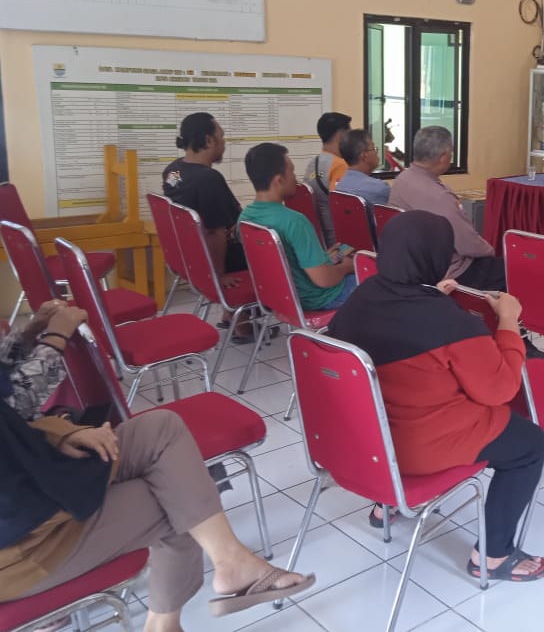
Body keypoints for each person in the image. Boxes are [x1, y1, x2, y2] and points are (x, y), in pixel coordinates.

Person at [0, 308, 314, 628]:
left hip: (30, 474)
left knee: (162, 430)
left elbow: (9, 409)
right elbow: (18, 404)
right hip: (22, 545)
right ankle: (167, 622)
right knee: (179, 496)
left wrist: (58, 432)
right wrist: (55, 336)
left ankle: (230, 562)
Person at [328, 211, 544, 582]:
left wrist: (430, 296)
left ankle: (387, 502)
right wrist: (509, 320)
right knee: (528, 444)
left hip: (368, 443)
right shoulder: (449, 323)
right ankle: (494, 555)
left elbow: (400, 323)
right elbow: (501, 388)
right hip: (420, 448)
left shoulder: (362, 297)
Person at [389, 127, 544, 359]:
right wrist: (489, 250)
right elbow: (467, 245)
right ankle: (515, 338)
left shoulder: (403, 179)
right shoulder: (438, 196)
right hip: (448, 271)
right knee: (512, 270)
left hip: (414, 264)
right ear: (444, 156)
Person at [162, 113, 251, 342]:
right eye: (221, 137)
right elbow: (214, 232)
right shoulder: (209, 179)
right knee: (276, 246)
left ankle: (230, 315)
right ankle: (242, 323)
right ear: (209, 140)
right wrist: (218, 275)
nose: (224, 142)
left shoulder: (173, 171)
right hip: (221, 255)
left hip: (189, 256)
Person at [239, 142, 357, 311]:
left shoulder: (245, 218)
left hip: (282, 298)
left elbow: (286, 264)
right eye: (292, 172)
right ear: (279, 180)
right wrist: (346, 267)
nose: (295, 178)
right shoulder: (295, 221)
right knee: (377, 279)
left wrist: (323, 258)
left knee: (339, 256)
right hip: (320, 299)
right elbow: (324, 279)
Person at [304, 112, 353, 247]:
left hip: (318, 240)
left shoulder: (312, 163)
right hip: (339, 244)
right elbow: (343, 208)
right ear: (340, 135)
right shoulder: (340, 165)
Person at [335, 129, 390, 205]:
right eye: (374, 148)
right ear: (364, 155)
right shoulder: (380, 188)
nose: (376, 152)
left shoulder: (340, 185)